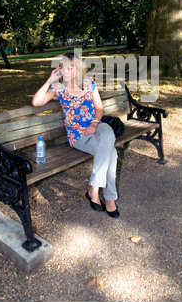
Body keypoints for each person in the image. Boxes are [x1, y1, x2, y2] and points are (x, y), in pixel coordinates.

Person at [32, 52, 119, 218]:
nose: (65, 72)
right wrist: (50, 80)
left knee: (108, 133)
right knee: (112, 154)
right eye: (63, 68)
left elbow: (99, 109)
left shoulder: (89, 83)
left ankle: (94, 187)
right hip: (78, 135)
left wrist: (94, 123)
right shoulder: (58, 88)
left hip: (97, 126)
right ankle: (110, 199)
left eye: (70, 68)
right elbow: (36, 102)